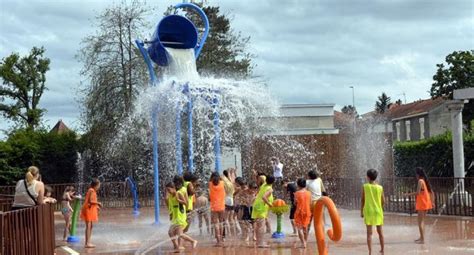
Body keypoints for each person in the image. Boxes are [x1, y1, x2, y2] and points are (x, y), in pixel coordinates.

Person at [403, 167, 433, 244]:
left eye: (416, 174)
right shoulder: (424, 181)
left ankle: (422, 239)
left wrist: (407, 194)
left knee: (420, 222)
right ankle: (421, 237)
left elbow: (418, 192)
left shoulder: (420, 181)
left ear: (418, 174)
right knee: (422, 221)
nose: (415, 176)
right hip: (425, 202)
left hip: (422, 203)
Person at [166, 181, 198, 251]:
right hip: (175, 217)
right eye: (167, 190)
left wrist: (179, 200)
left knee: (180, 234)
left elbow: (186, 203)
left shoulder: (179, 193)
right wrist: (170, 214)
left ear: (173, 188)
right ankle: (176, 246)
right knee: (170, 233)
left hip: (180, 217)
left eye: (169, 190)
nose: (168, 192)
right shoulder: (170, 196)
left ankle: (193, 241)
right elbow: (171, 206)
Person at [361, 169, 385, 255]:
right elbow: (383, 201)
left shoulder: (365, 186)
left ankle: (370, 252)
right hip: (378, 211)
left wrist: (361, 211)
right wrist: (380, 208)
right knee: (380, 232)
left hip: (368, 211)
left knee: (369, 234)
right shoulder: (380, 187)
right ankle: (382, 250)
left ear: (368, 177)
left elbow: (363, 200)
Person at [251, 173, 274, 248]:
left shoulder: (264, 184)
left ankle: (259, 241)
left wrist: (255, 175)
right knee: (261, 226)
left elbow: (262, 178)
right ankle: (260, 243)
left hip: (257, 205)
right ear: (273, 182)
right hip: (261, 207)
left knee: (258, 225)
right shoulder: (270, 189)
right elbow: (264, 197)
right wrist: (270, 204)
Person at [80, 178, 102, 248]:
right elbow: (90, 201)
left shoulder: (91, 190)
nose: (99, 187)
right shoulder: (92, 190)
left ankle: (88, 242)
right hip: (88, 209)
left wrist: (96, 206)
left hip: (89, 209)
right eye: (98, 185)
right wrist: (98, 203)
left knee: (90, 226)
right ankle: (87, 243)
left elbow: (91, 201)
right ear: (95, 185)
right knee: (88, 226)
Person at [209, 172, 226, 246]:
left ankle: (218, 241)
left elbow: (210, 180)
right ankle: (222, 239)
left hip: (214, 207)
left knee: (216, 224)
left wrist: (212, 176)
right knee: (221, 223)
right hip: (222, 206)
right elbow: (221, 179)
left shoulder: (210, 184)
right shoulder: (222, 183)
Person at [294, 178, 312, 248]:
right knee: (305, 227)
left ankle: (303, 243)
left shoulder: (297, 193)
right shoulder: (309, 193)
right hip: (307, 211)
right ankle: (305, 241)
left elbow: (295, 203)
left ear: (298, 185)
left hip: (299, 212)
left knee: (299, 228)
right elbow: (310, 203)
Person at [222, 169, 237, 236]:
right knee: (231, 218)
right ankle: (233, 232)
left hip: (226, 199)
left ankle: (229, 233)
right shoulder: (230, 182)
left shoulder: (224, 181)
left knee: (226, 219)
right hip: (231, 200)